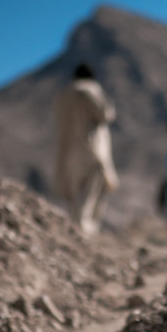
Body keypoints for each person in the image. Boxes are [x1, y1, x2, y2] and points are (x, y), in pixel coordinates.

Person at [53, 63, 119, 234]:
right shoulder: (90, 91)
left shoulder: (64, 94)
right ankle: (85, 233)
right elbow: (106, 113)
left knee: (76, 195)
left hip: (69, 152)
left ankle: (76, 230)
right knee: (91, 196)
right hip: (92, 150)